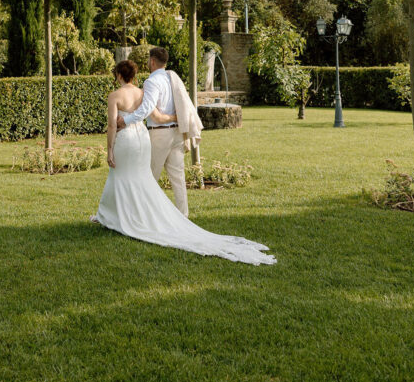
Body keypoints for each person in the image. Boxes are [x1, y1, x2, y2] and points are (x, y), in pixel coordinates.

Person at [92, 58, 276, 266]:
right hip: (142, 139)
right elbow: (154, 115)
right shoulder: (142, 93)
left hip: (126, 140)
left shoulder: (114, 96)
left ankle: (121, 216)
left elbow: (111, 125)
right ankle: (110, 213)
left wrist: (109, 149)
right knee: (140, 177)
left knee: (121, 174)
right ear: (133, 75)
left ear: (118, 75)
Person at [117, 46, 188, 215]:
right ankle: (183, 215)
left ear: (153, 61)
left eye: (149, 60)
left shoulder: (151, 81)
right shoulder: (172, 78)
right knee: (178, 178)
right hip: (177, 132)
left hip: (160, 134)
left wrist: (125, 120)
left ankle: (143, 215)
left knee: (149, 176)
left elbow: (146, 108)